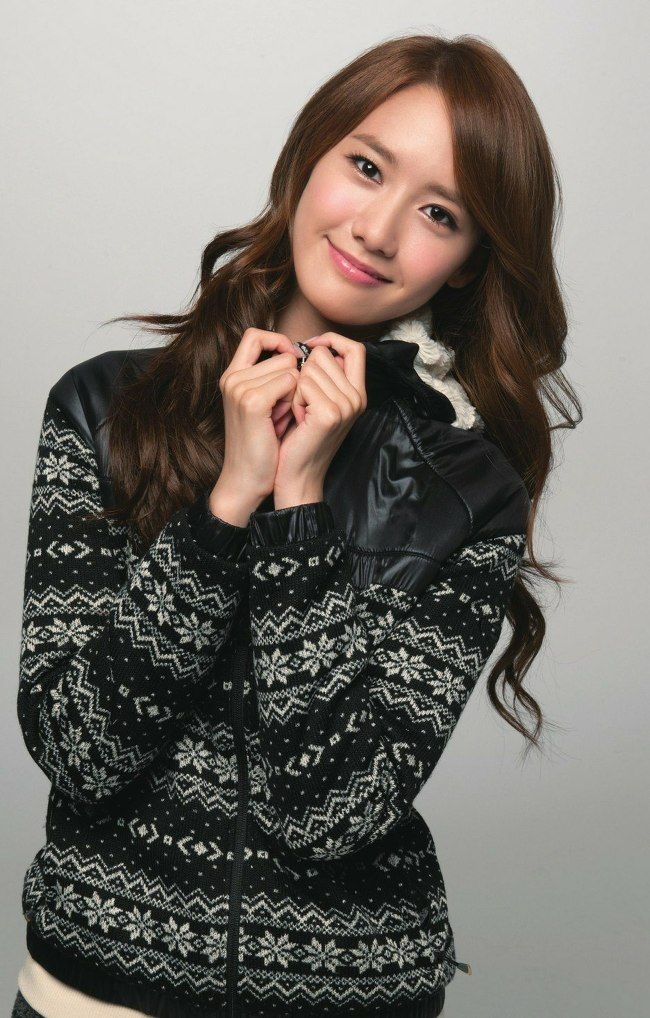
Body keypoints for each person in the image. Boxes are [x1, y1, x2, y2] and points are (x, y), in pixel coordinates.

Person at [13, 32, 579, 1018]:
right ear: (309, 156)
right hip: (90, 994)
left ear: (464, 263)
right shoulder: (104, 410)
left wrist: (299, 506)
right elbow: (79, 750)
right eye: (366, 167)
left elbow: (333, 815)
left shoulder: (466, 489)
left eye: (438, 213)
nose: (377, 229)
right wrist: (227, 502)